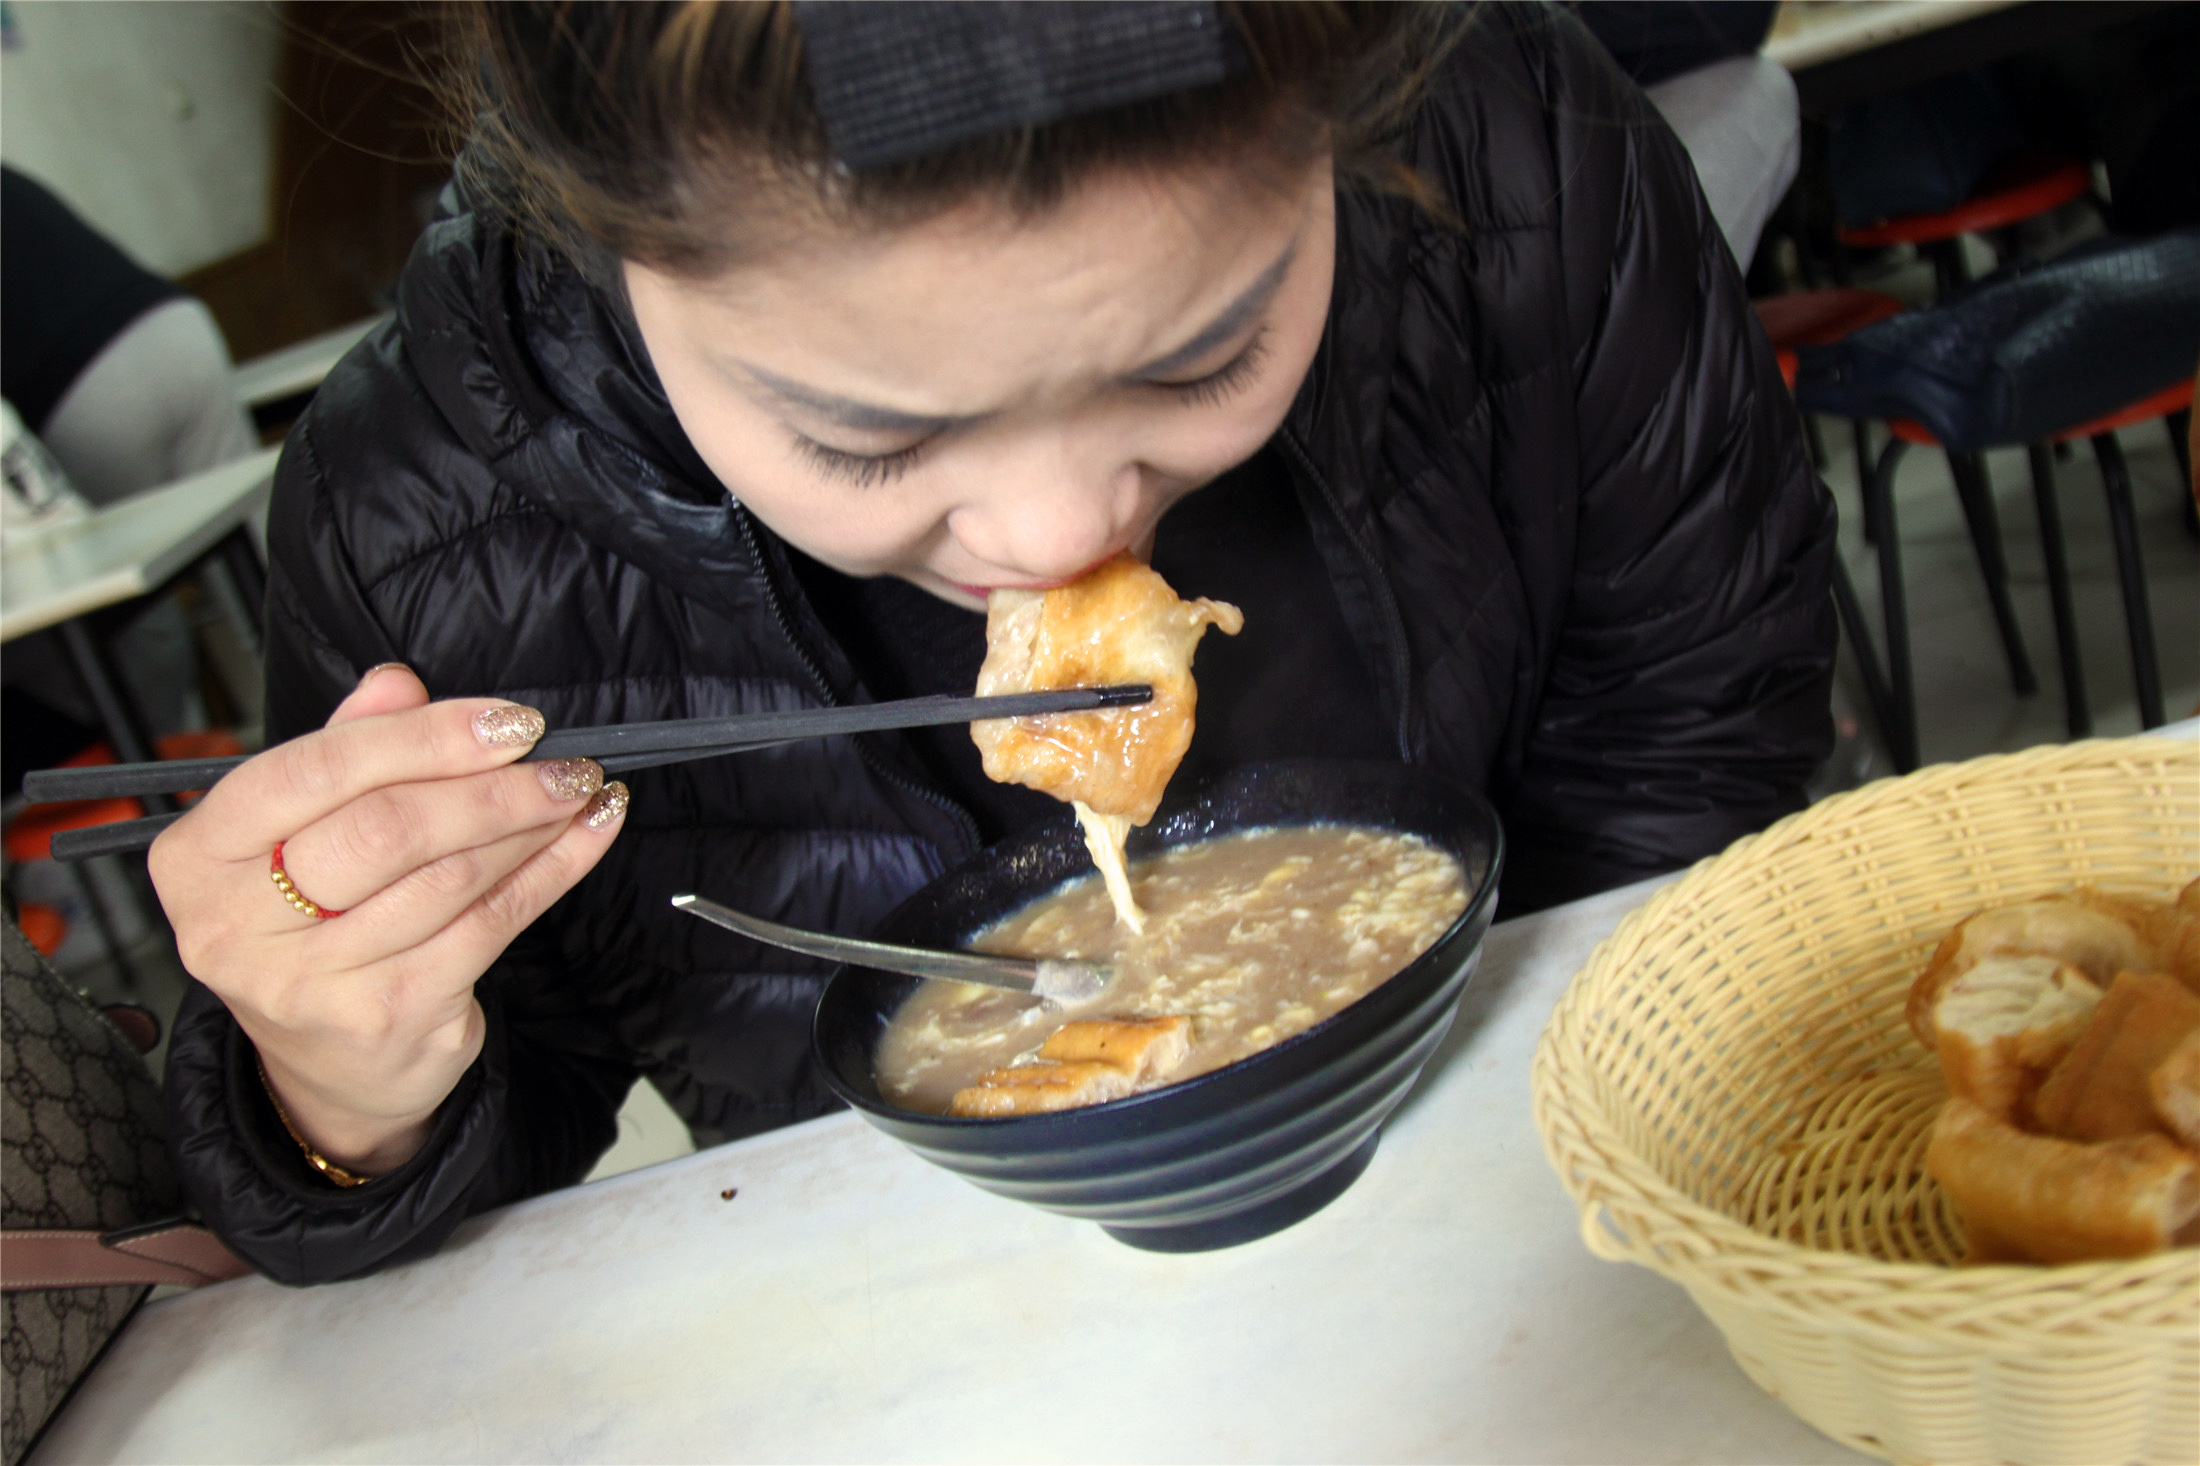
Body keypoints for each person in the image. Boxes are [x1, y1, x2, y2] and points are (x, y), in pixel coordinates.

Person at [150, 1, 1835, 1284]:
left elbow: (1694, 733)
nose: (1051, 531)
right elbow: (491, 1161)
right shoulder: (424, 529)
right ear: (606, 236)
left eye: (1202, 356)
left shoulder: (1512, 154)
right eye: (869, 441)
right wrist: (333, 1104)